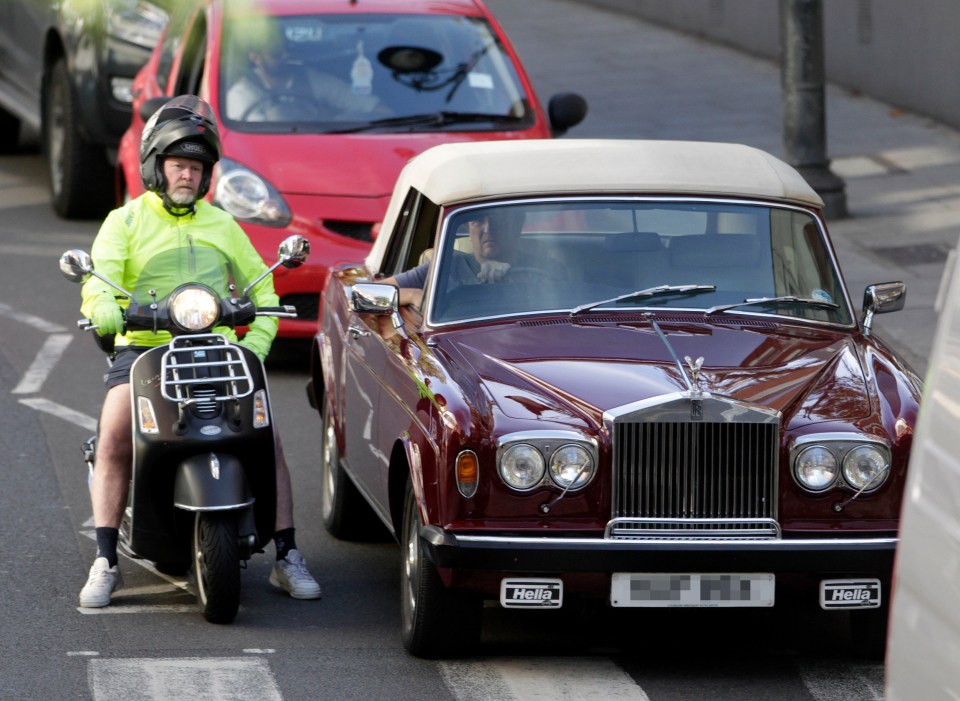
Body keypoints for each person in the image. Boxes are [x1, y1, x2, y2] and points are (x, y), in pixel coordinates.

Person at [78, 95, 320, 607]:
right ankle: (105, 560)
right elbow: (100, 279)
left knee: (267, 436)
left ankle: (287, 554)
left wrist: (254, 345)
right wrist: (103, 305)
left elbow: (263, 288)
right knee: (116, 432)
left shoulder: (222, 224)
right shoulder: (124, 222)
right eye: (177, 165)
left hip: (217, 351)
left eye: (195, 167)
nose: (187, 175)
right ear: (155, 168)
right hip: (144, 350)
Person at [224, 25, 385, 123]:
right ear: (255, 57)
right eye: (276, 52)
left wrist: (386, 117)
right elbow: (252, 143)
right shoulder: (242, 94)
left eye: (288, 49)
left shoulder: (309, 78)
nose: (286, 56)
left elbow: (361, 102)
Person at [384, 210, 543, 308]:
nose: (488, 229)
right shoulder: (446, 265)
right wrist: (414, 295)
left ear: (517, 226)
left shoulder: (543, 269)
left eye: (498, 220)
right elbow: (366, 293)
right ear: (468, 229)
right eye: (478, 221)